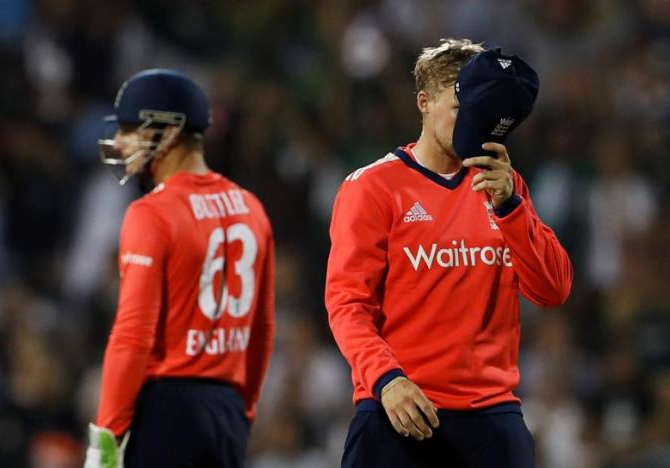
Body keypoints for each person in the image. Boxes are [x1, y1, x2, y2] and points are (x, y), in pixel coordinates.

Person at [325, 38, 573, 468]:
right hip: (400, 407)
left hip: (492, 417)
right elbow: (347, 303)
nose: (472, 124)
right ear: (424, 101)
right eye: (461, 110)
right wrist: (385, 380)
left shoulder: (503, 185)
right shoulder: (372, 188)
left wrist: (512, 209)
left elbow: (553, 290)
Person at [84, 69, 275, 468]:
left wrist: (106, 440)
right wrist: (244, 410)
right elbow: (262, 329)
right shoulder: (251, 209)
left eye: (131, 128)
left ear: (168, 133)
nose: (120, 142)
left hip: (167, 409)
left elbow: (132, 334)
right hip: (227, 411)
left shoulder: (152, 213)